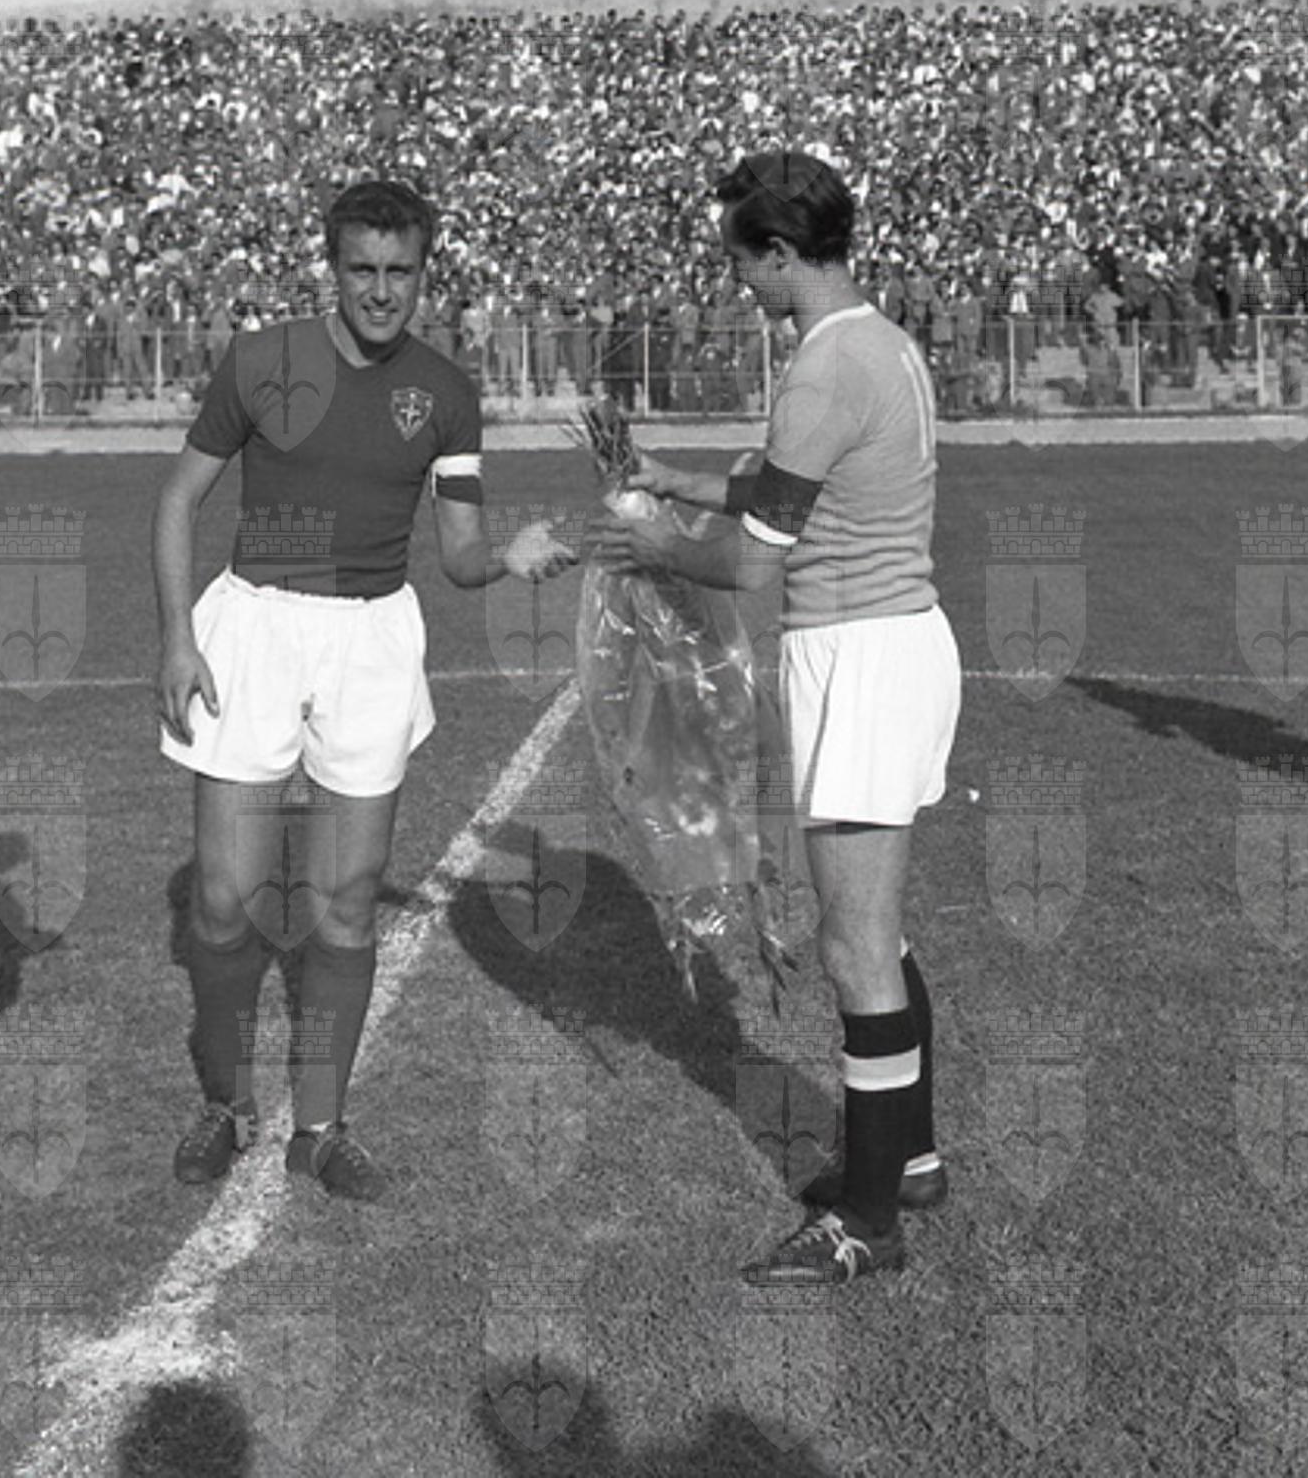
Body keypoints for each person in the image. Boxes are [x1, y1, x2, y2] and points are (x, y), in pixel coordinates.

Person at [154, 180, 573, 1201]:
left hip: (371, 640)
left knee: (346, 903)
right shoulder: (262, 359)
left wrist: (508, 556)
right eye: (362, 270)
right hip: (255, 628)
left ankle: (321, 1128)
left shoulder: (446, 392)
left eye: (401, 272)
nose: (382, 291)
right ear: (332, 269)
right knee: (222, 899)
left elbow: (459, 554)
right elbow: (177, 501)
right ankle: (225, 1104)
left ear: (425, 274)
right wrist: (176, 640)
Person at [593, 150, 961, 1286]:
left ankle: (867, 1222)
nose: (736, 281)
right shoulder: (874, 341)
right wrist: (675, 479)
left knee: (855, 946)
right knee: (878, 933)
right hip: (893, 644)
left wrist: (653, 542)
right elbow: (789, 491)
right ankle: (907, 1160)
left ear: (782, 251)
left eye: (741, 261)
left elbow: (753, 563)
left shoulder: (821, 369)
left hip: (861, 655)